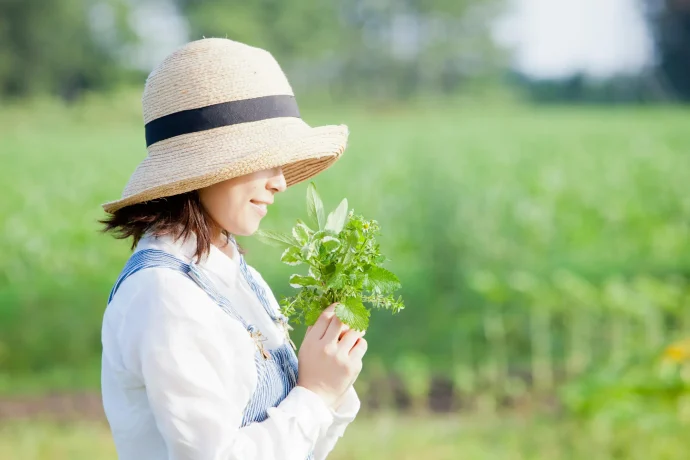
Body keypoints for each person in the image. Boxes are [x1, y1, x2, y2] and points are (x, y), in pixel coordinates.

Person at [99, 38, 367, 460]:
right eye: (264, 158)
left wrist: (331, 381)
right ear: (203, 169)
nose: (280, 182)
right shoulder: (165, 295)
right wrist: (315, 394)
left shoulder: (229, 267)